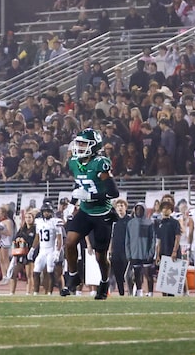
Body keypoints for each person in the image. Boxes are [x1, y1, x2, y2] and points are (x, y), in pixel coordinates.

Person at [62, 127, 117, 299]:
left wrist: (91, 195)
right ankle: (73, 277)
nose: (79, 147)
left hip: (102, 213)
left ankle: (104, 282)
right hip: (85, 211)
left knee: (101, 256)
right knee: (70, 243)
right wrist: (71, 204)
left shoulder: (100, 163)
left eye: (83, 144)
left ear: (93, 146)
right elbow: (81, 184)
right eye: (78, 143)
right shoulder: (74, 162)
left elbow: (113, 192)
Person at [32, 204, 62, 294]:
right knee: (36, 271)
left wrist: (57, 252)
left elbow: (59, 239)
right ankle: (35, 292)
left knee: (50, 271)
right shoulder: (39, 222)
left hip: (51, 250)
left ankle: (49, 292)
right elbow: (37, 237)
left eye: (48, 211)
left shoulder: (55, 222)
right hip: (42, 250)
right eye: (45, 211)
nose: (46, 213)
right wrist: (32, 249)